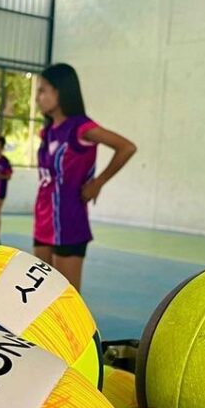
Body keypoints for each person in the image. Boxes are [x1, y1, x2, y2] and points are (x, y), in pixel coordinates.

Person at [33, 63, 136, 291]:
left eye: (42, 90)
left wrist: (98, 183)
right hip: (43, 220)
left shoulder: (80, 128)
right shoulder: (47, 132)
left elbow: (127, 147)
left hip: (69, 221)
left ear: (59, 91)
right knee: (39, 294)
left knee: (65, 296)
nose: (37, 97)